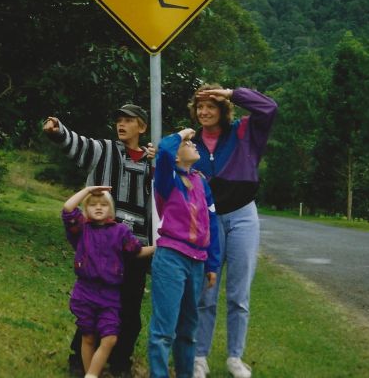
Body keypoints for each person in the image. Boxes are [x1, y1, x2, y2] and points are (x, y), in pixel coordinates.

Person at [43, 104, 155, 377]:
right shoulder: (104, 150)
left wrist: (160, 158)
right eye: (119, 120)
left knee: (129, 308)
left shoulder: (154, 161)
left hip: (135, 244)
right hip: (102, 247)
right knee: (93, 304)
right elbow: (77, 144)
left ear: (142, 127)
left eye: (128, 121)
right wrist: (58, 131)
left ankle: (120, 363)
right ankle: (79, 362)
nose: (121, 125)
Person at [189, 85, 277, 378]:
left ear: (223, 108)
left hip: (242, 217)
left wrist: (231, 92)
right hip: (208, 221)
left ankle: (234, 358)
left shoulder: (244, 131)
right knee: (207, 293)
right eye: (200, 107)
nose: (204, 112)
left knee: (239, 294)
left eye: (211, 106)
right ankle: (199, 357)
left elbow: (269, 108)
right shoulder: (190, 143)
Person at [147, 128, 220, 378]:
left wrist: (212, 264)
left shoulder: (201, 181)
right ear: (177, 157)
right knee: (164, 330)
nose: (193, 144)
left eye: (191, 141)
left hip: (197, 262)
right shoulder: (167, 179)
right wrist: (182, 133)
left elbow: (212, 223)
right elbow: (164, 150)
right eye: (188, 143)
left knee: (188, 330)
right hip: (171, 259)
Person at [62, 185, 156, 378]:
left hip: (110, 295)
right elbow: (68, 209)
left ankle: (91, 374)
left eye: (103, 204)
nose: (98, 207)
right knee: (88, 336)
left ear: (111, 209)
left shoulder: (120, 231)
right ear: (86, 209)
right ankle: (91, 374)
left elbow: (137, 251)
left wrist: (159, 246)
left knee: (110, 338)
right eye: (93, 204)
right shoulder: (81, 230)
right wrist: (88, 190)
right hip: (85, 293)